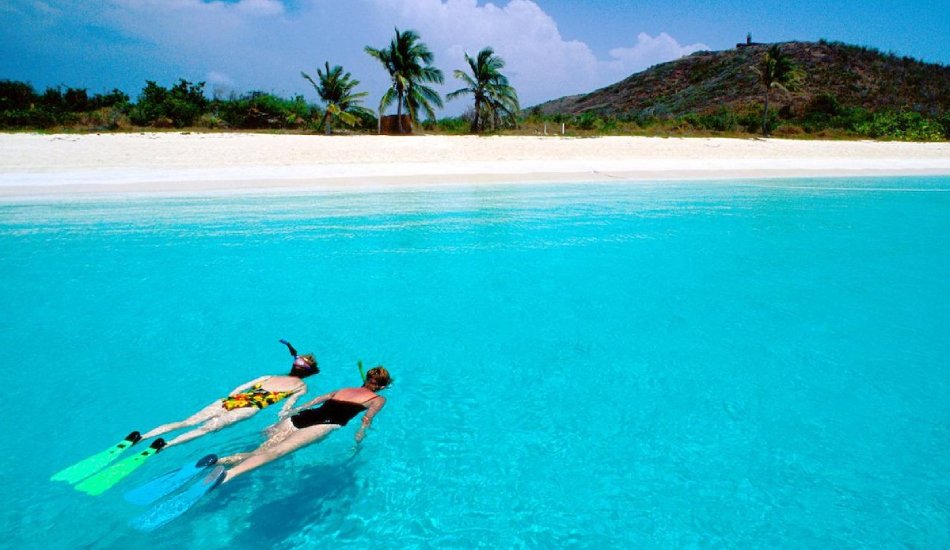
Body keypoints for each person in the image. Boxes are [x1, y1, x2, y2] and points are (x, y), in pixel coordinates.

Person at [218, 366, 391, 483]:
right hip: (323, 424)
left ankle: (221, 461)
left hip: (300, 417)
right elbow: (367, 419)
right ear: (382, 386)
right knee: (277, 452)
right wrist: (359, 437)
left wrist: (290, 413)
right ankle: (229, 475)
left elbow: (314, 401)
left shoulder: (344, 389)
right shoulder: (378, 399)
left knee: (259, 450)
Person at [140, 340, 319, 448]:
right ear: (308, 373)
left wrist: (230, 400)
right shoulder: (300, 387)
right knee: (205, 429)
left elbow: (238, 389)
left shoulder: (269, 376)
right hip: (248, 408)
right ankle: (167, 445)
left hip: (230, 401)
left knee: (186, 422)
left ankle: (142, 437)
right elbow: (286, 408)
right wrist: (282, 422)